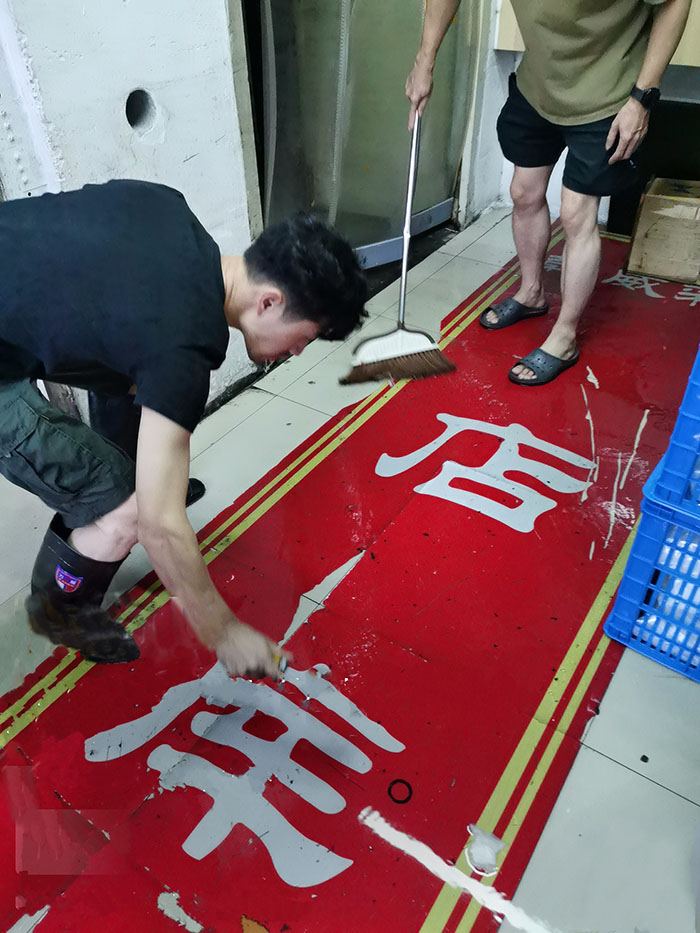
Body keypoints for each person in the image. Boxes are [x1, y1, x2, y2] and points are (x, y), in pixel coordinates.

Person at [0, 179, 367, 676]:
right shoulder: (184, 346)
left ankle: (126, 486)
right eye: (307, 336)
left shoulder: (168, 207)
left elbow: (104, 317)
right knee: (131, 511)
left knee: (134, 417)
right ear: (270, 302)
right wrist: (224, 632)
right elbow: (160, 527)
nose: (298, 352)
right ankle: (57, 612)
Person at [406, 0, 691, 385]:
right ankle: (531, 293)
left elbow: (675, 3)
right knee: (524, 192)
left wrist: (642, 99)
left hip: (607, 96)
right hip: (538, 87)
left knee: (576, 214)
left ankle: (565, 336)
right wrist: (424, 61)